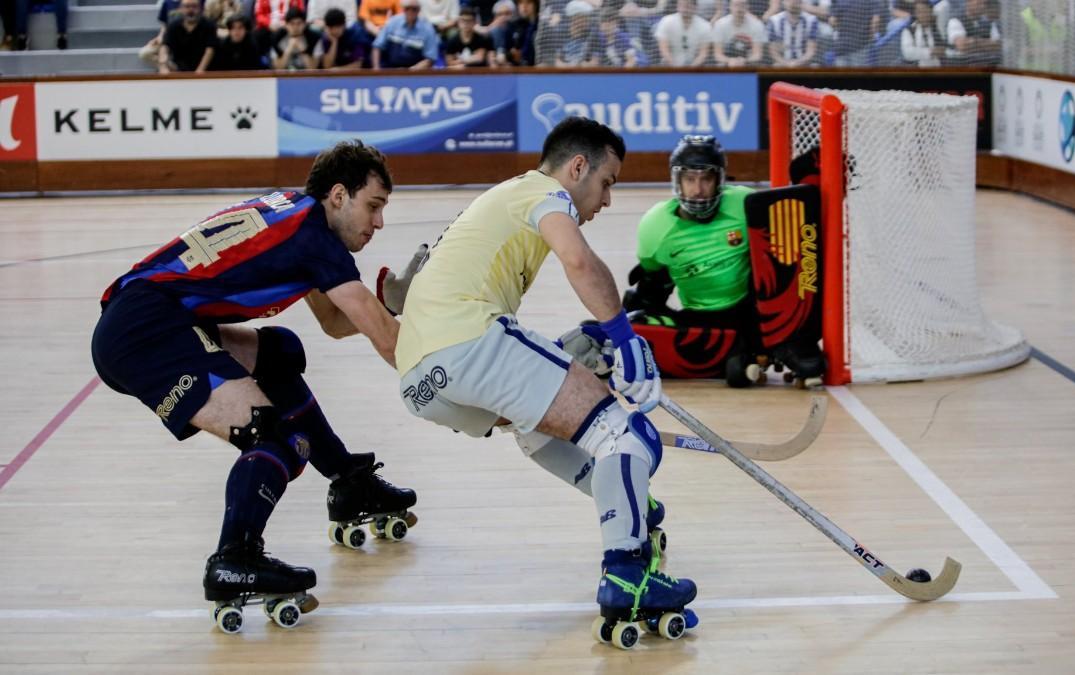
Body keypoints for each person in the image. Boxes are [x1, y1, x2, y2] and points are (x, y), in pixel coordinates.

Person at [90, 141, 417, 626]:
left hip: (152, 316)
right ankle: (235, 560)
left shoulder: (296, 215)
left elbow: (333, 322)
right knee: (275, 439)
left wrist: (391, 306)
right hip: (147, 330)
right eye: (374, 206)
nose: (379, 223)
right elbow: (390, 344)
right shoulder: (315, 240)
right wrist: (451, 375)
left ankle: (350, 485)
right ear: (339, 195)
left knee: (280, 353)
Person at [393, 117, 697, 639]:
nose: (605, 201)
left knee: (536, 429)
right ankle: (626, 574)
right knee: (626, 436)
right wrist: (623, 338)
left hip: (422, 381)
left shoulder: (501, 200)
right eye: (606, 182)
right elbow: (578, 262)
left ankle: (629, 508)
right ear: (576, 167)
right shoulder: (542, 192)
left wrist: (579, 349)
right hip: (467, 339)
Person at [622, 135, 823, 381]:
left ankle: (786, 343)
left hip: (751, 313)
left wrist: (812, 180)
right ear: (677, 181)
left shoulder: (746, 204)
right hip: (698, 318)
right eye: (690, 180)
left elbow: (793, 241)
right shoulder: (655, 226)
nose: (697, 190)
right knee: (634, 312)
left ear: (720, 180)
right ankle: (745, 354)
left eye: (706, 179)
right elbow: (653, 282)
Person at [372, 0, 440, 69]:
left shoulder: (427, 29)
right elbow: (377, 46)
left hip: (414, 73)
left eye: (414, 9)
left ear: (419, 10)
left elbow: (430, 58)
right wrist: (376, 68)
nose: (410, 12)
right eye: (407, 8)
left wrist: (408, 72)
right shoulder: (393, 22)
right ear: (403, 9)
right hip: (389, 69)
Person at [159, 0, 219, 73]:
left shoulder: (209, 25)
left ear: (200, 8)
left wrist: (199, 71)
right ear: (180, 8)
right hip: (179, 69)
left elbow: (210, 50)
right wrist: (163, 66)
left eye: (194, 6)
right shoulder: (173, 26)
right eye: (187, 6)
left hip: (206, 70)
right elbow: (165, 46)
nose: (190, 10)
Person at [654, 0, 713, 66]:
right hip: (669, 64)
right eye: (682, 5)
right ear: (677, 6)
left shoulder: (705, 26)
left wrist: (691, 69)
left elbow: (703, 54)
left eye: (688, 5)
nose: (684, 8)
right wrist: (674, 67)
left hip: (695, 65)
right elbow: (664, 50)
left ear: (695, 7)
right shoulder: (666, 21)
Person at [712, 0, 767, 67]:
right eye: (736, 5)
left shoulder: (757, 24)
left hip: (749, 61)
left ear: (747, 7)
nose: (739, 9)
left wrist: (745, 61)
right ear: (730, 7)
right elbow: (718, 55)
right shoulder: (720, 24)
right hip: (727, 61)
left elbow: (757, 54)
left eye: (742, 5)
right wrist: (730, 60)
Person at [766, 0, 818, 67]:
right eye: (789, 1)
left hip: (804, 63)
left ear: (801, 2)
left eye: (796, 1)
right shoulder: (774, 21)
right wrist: (786, 63)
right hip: (782, 63)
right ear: (783, 2)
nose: (793, 3)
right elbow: (773, 52)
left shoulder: (811, 20)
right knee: (776, 67)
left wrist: (797, 63)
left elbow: (810, 51)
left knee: (815, 67)